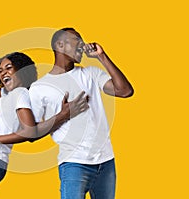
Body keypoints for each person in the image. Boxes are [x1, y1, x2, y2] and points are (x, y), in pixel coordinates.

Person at [0, 25, 89, 199]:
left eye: (8, 68)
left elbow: (29, 132)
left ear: (20, 69)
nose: (3, 72)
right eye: (0, 70)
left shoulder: (22, 94)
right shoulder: (5, 95)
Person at [28, 28, 134, 199]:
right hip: (74, 164)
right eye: (76, 39)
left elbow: (125, 91)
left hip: (106, 161)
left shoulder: (90, 73)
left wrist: (102, 56)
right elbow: (31, 133)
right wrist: (64, 114)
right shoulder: (40, 88)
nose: (82, 44)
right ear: (60, 44)